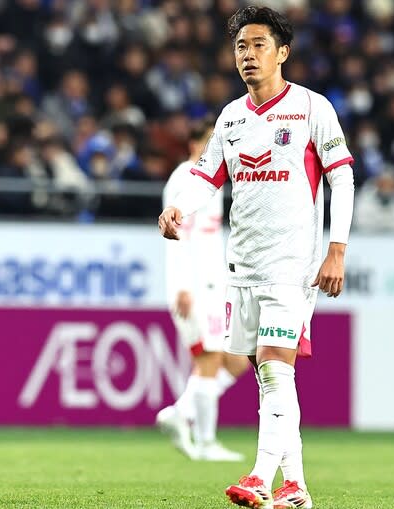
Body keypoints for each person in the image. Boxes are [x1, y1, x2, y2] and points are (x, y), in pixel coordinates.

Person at [158, 6, 354, 508]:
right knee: (269, 378)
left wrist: (336, 249)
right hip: (242, 267)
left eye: (259, 44)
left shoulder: (311, 108)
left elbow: (342, 178)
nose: (248, 54)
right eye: (241, 46)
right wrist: (179, 207)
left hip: (293, 264)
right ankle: (296, 487)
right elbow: (205, 177)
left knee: (273, 368)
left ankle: (261, 477)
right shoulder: (231, 117)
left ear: (282, 52)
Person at [156, 119, 250, 462]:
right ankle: (206, 442)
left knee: (238, 360)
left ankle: (181, 413)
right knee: (209, 358)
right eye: (211, 142)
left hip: (215, 285)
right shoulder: (184, 179)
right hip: (194, 288)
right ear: (194, 145)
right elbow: (177, 235)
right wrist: (183, 285)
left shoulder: (214, 182)